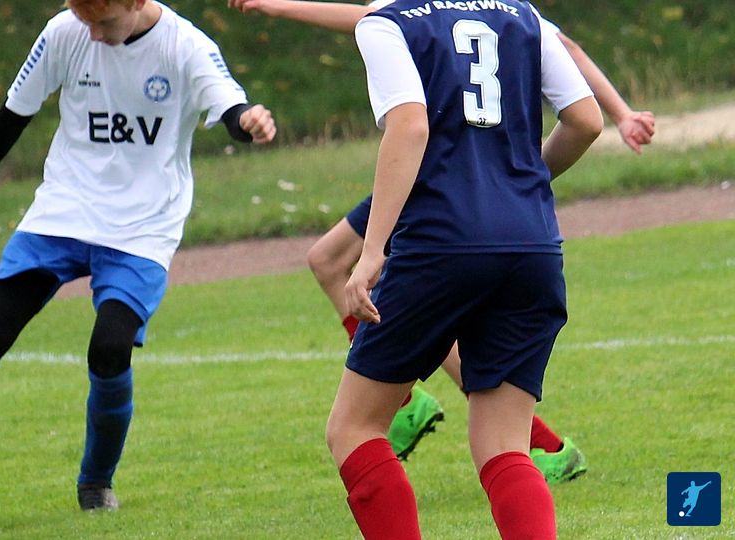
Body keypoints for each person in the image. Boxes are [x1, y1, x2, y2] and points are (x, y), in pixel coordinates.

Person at [0, 0, 275, 511]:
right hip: (65, 210)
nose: (93, 35)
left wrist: (248, 120)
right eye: (85, 21)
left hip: (143, 227)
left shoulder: (186, 46)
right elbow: (15, 111)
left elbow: (230, 108)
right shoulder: (65, 31)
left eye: (103, 23)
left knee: (110, 347)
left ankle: (96, 483)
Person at [230, 0, 655, 484]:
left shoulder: (419, 17)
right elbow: (574, 87)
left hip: (436, 183)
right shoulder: (508, 12)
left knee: (403, 301)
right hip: (474, 189)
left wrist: (619, 114)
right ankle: (422, 405)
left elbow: (396, 71)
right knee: (328, 259)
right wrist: (275, 7)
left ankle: (519, 435)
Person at [330, 0, 603, 536]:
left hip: (439, 244)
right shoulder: (524, 16)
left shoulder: (388, 23)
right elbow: (586, 120)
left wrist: (372, 249)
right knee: (503, 446)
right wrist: (519, 184)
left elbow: (409, 126)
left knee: (355, 428)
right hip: (531, 244)